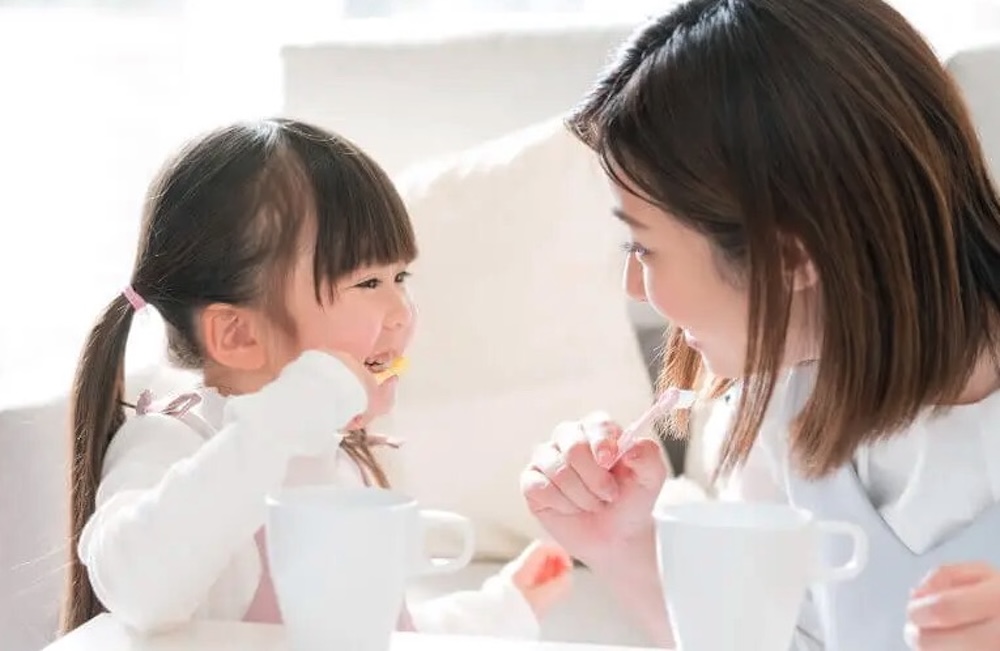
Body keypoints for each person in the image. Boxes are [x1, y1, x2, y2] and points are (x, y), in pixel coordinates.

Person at [520, 1, 1000, 649]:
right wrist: (621, 547)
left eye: (643, 248)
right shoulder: (784, 398)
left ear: (788, 258)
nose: (634, 286)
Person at [63, 118, 571, 638]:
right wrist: (289, 414)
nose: (402, 312)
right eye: (367, 282)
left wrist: (503, 608)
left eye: (400, 277)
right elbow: (136, 588)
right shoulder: (175, 441)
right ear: (238, 334)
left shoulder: (335, 459)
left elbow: (373, 632)